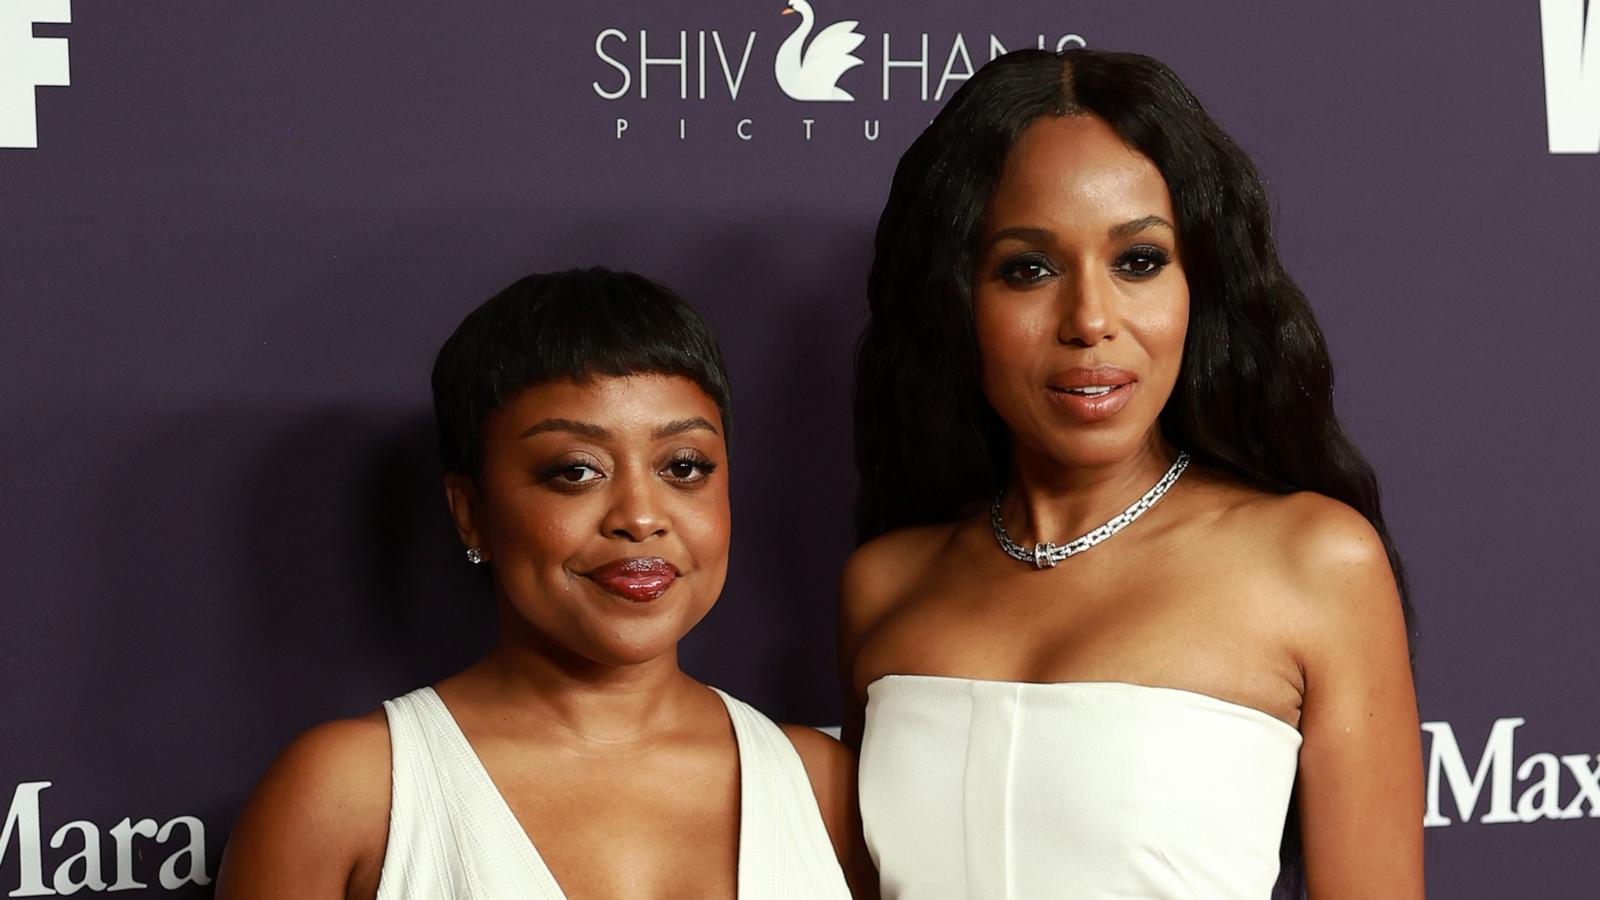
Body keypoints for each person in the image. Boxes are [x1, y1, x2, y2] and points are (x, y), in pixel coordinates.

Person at [840, 49, 1424, 899]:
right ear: (957, 299)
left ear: (1201, 285)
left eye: (1139, 262)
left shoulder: (1316, 563)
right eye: (1028, 269)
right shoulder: (884, 586)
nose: (1090, 320)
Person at [218, 268, 868, 898]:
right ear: (470, 512)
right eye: (575, 471)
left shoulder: (824, 788)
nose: (641, 515)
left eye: (685, 466)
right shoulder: (350, 795)